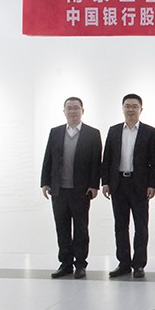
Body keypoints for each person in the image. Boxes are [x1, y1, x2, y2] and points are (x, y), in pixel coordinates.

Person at [41, 97, 102, 279]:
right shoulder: (55, 132)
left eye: (76, 108)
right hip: (59, 190)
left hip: (81, 191)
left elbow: (96, 162)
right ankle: (65, 263)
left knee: (81, 229)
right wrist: (45, 182)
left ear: (83, 111)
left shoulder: (92, 134)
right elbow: (48, 158)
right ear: (64, 111)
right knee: (62, 228)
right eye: (69, 108)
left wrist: (94, 185)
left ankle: (80, 264)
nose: (73, 111)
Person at [102, 93, 155, 279]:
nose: (131, 109)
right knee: (120, 225)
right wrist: (106, 182)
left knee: (141, 226)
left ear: (141, 109)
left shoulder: (149, 132)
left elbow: (154, 162)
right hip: (118, 183)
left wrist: (152, 184)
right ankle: (124, 263)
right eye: (127, 106)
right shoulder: (114, 131)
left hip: (139, 185)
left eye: (135, 106)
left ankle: (139, 264)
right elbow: (107, 159)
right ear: (123, 108)